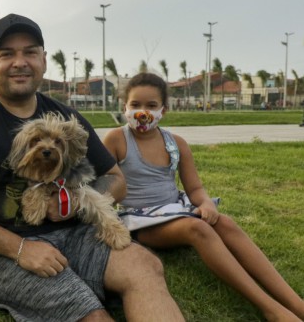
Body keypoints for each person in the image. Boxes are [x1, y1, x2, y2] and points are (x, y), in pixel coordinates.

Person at [0, 14, 184, 321]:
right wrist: (20, 249)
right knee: (88, 312)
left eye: (30, 52)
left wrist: (75, 203)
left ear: (44, 61)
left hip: (67, 232)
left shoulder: (64, 116)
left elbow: (115, 180)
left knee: (146, 268)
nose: (20, 62)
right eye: (6, 54)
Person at [103, 73, 304, 321]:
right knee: (198, 229)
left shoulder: (176, 143)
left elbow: (195, 188)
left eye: (151, 105)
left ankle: (296, 303)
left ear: (164, 110)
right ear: (125, 107)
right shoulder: (115, 139)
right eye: (135, 105)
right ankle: (269, 308)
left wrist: (206, 203)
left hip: (174, 209)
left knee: (225, 222)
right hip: (141, 221)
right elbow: (106, 184)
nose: (142, 112)